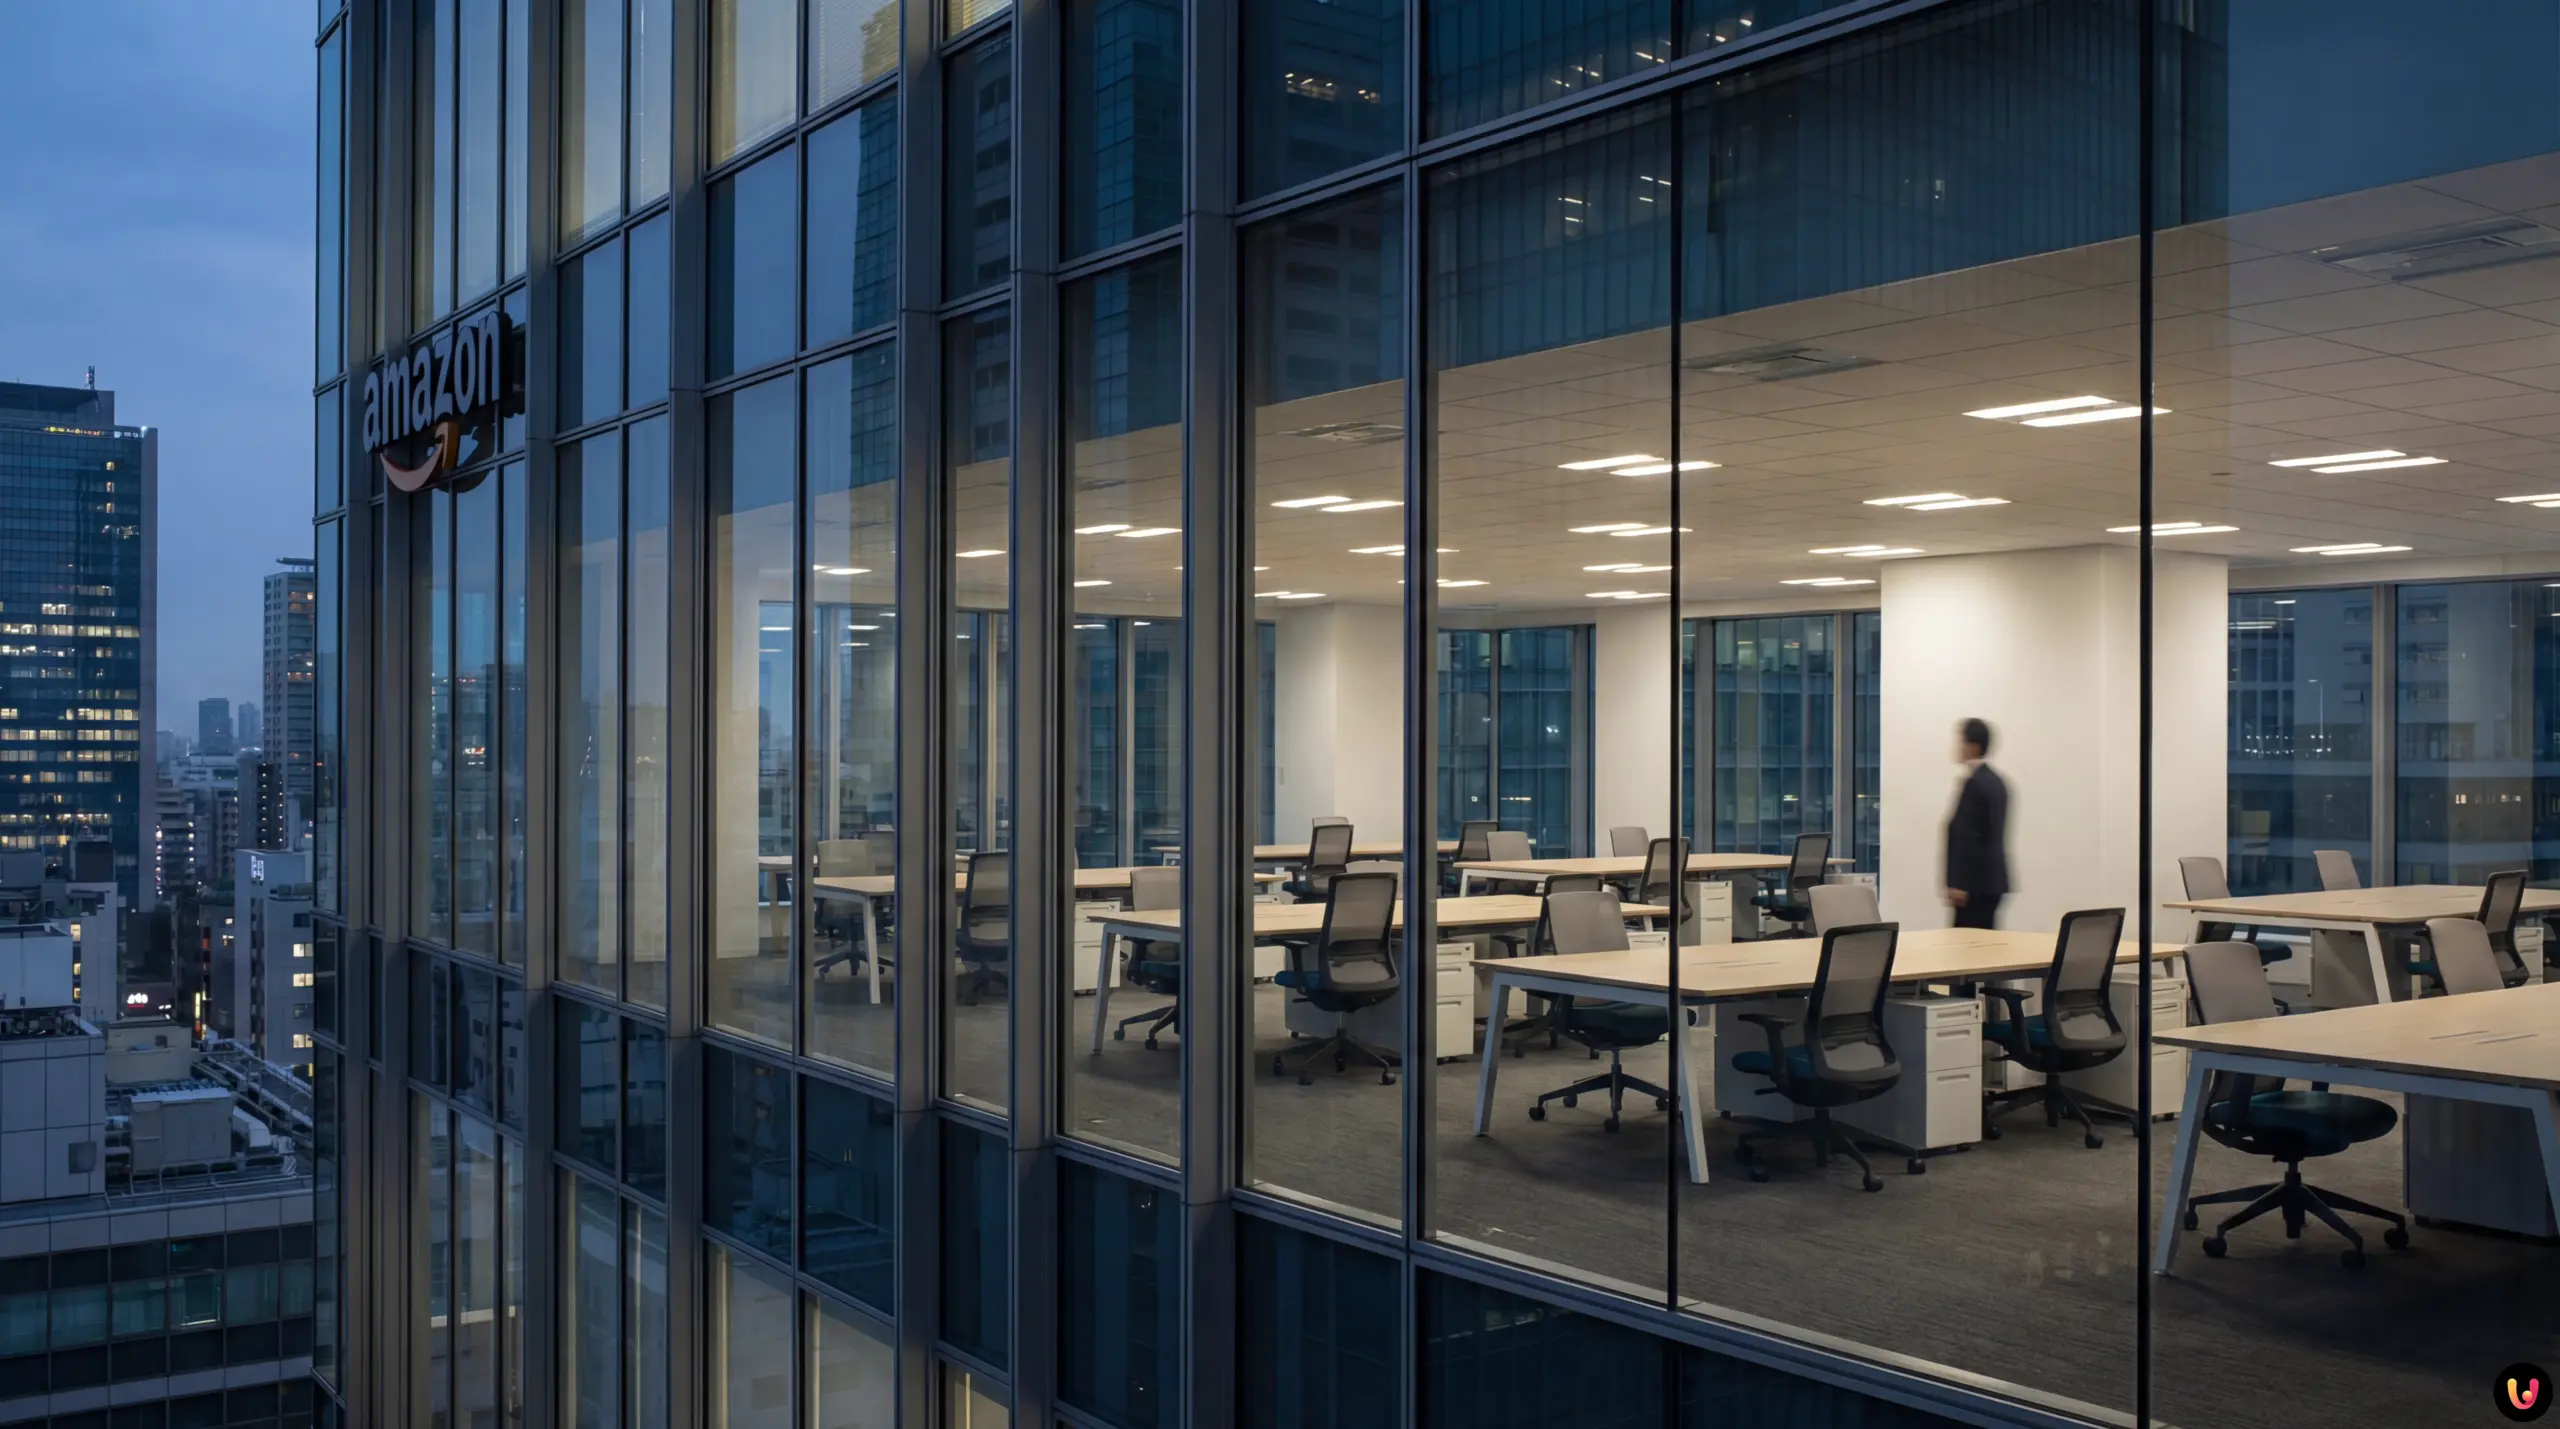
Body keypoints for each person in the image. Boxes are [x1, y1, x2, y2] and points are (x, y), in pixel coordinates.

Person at [1943, 717, 2009, 929]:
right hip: (1992, 883)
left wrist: (1959, 883)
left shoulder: (1975, 784)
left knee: (1967, 950)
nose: (1957, 747)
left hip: (1973, 887)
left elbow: (1968, 837)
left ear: (1972, 746)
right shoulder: (1997, 782)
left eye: (1960, 741)